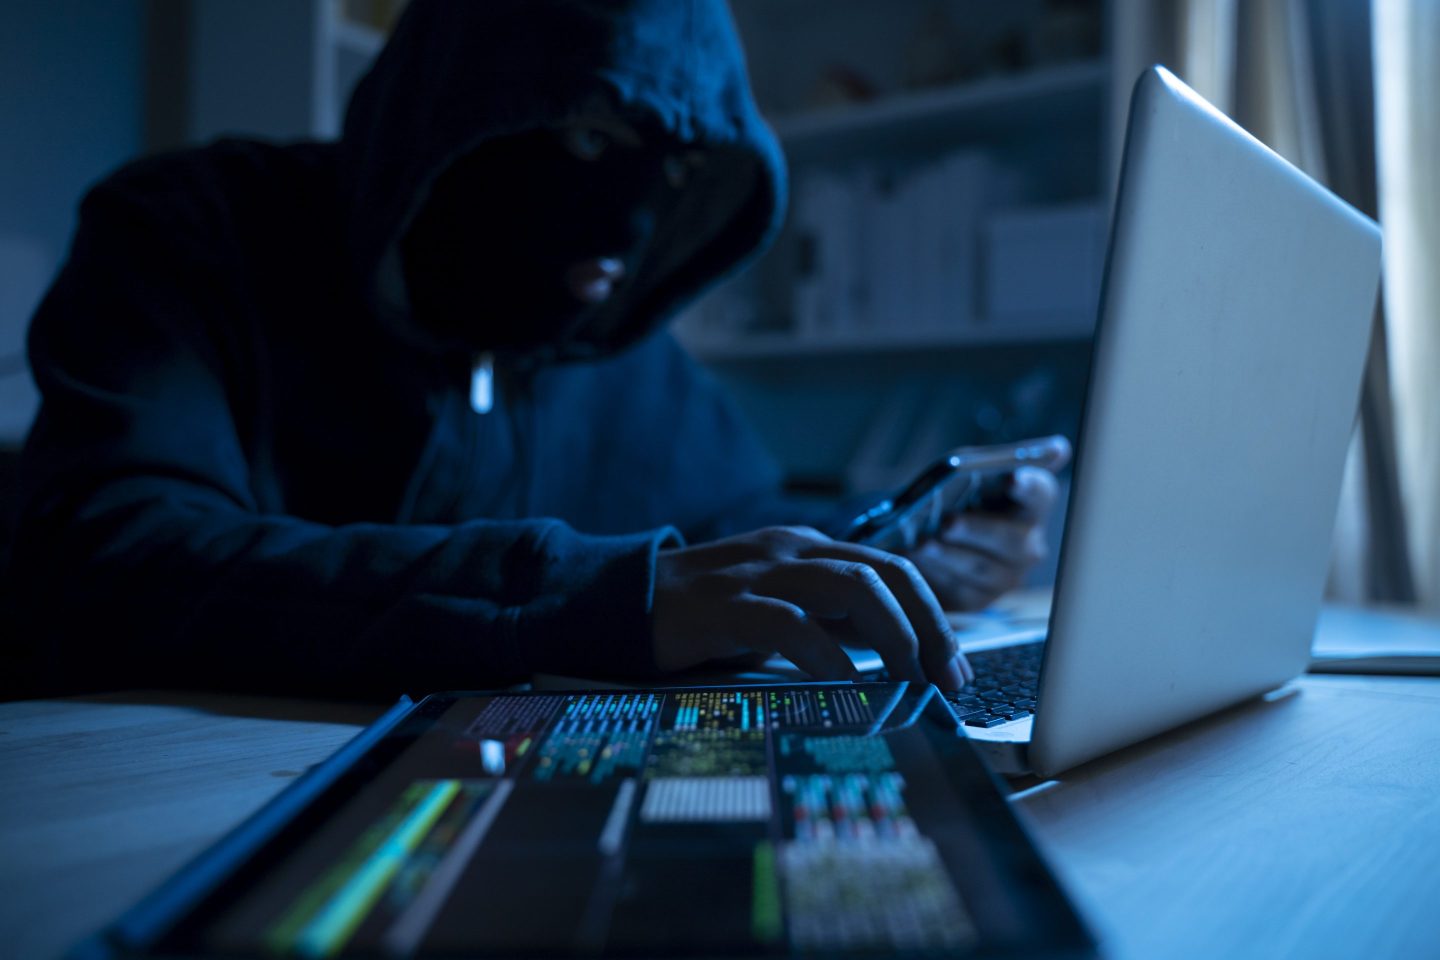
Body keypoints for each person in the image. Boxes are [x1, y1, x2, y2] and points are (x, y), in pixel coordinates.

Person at [5, 0, 1059, 699]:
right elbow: (106, 558)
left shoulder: (616, 350)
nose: (627, 227)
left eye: (676, 167)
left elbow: (739, 534)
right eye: (591, 136)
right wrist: (588, 598)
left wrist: (894, 556)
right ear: (449, 109)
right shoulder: (190, 233)